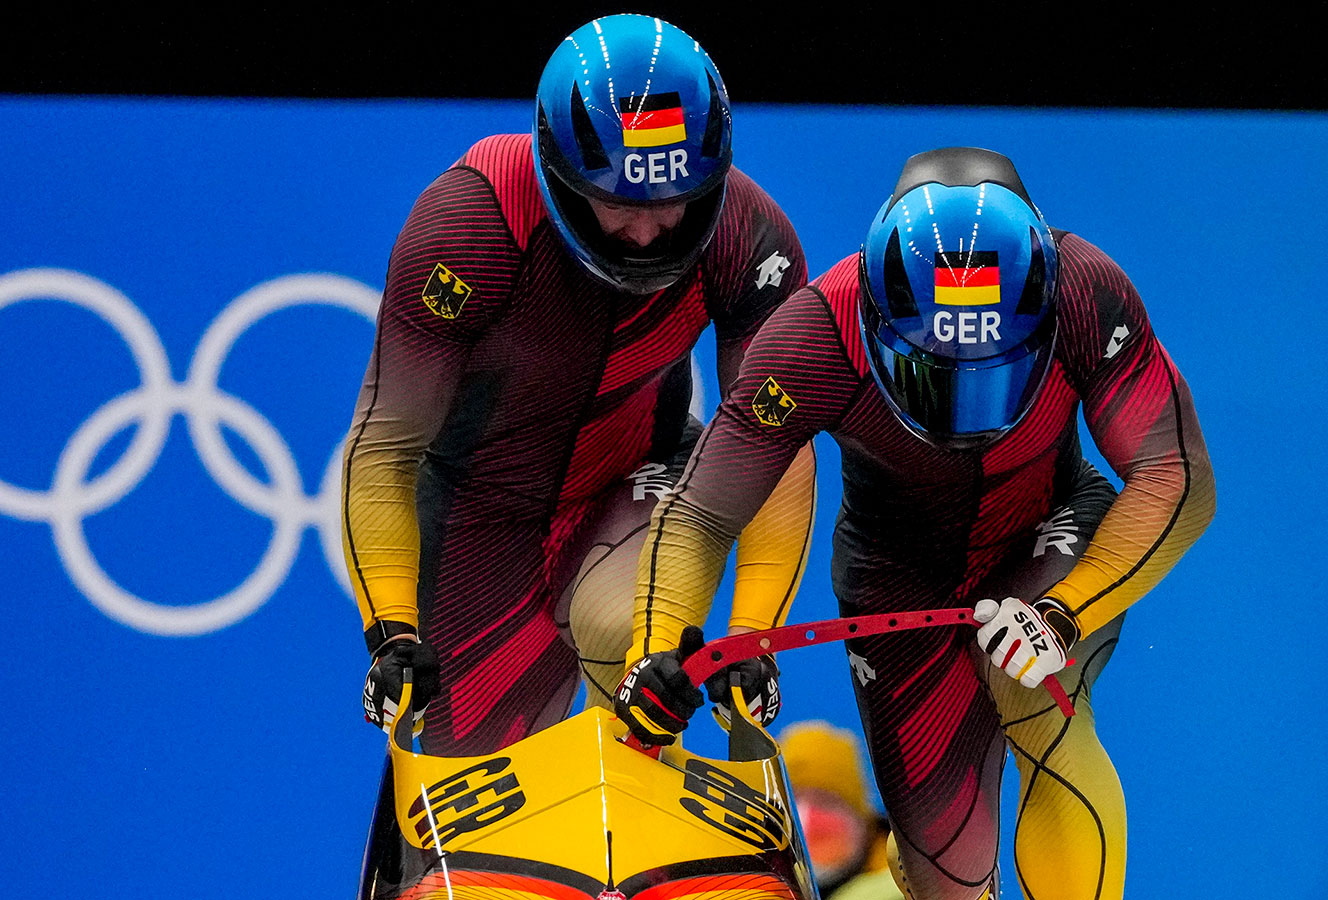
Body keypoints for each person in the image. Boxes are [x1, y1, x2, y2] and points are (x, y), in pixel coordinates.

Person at [613, 148, 1216, 900]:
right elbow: (703, 514)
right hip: (895, 578)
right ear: (876, 315)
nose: (967, 411)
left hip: (1048, 529)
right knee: (947, 874)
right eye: (937, 370)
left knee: (1030, 678)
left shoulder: (1087, 292)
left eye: (994, 368)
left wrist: (1068, 611)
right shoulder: (817, 333)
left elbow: (1175, 476)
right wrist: (651, 650)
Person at [341, 13, 815, 757]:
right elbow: (385, 446)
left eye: (674, 198)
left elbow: (773, 445)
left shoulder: (748, 238)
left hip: (637, 477)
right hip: (478, 514)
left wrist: (754, 636)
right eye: (620, 201)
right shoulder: (473, 220)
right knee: (462, 804)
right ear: (560, 170)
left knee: (636, 653)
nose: (649, 232)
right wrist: (393, 629)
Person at [779, 720, 899, 900]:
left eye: (826, 802)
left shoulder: (908, 885)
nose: (807, 819)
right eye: (793, 803)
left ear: (862, 820)